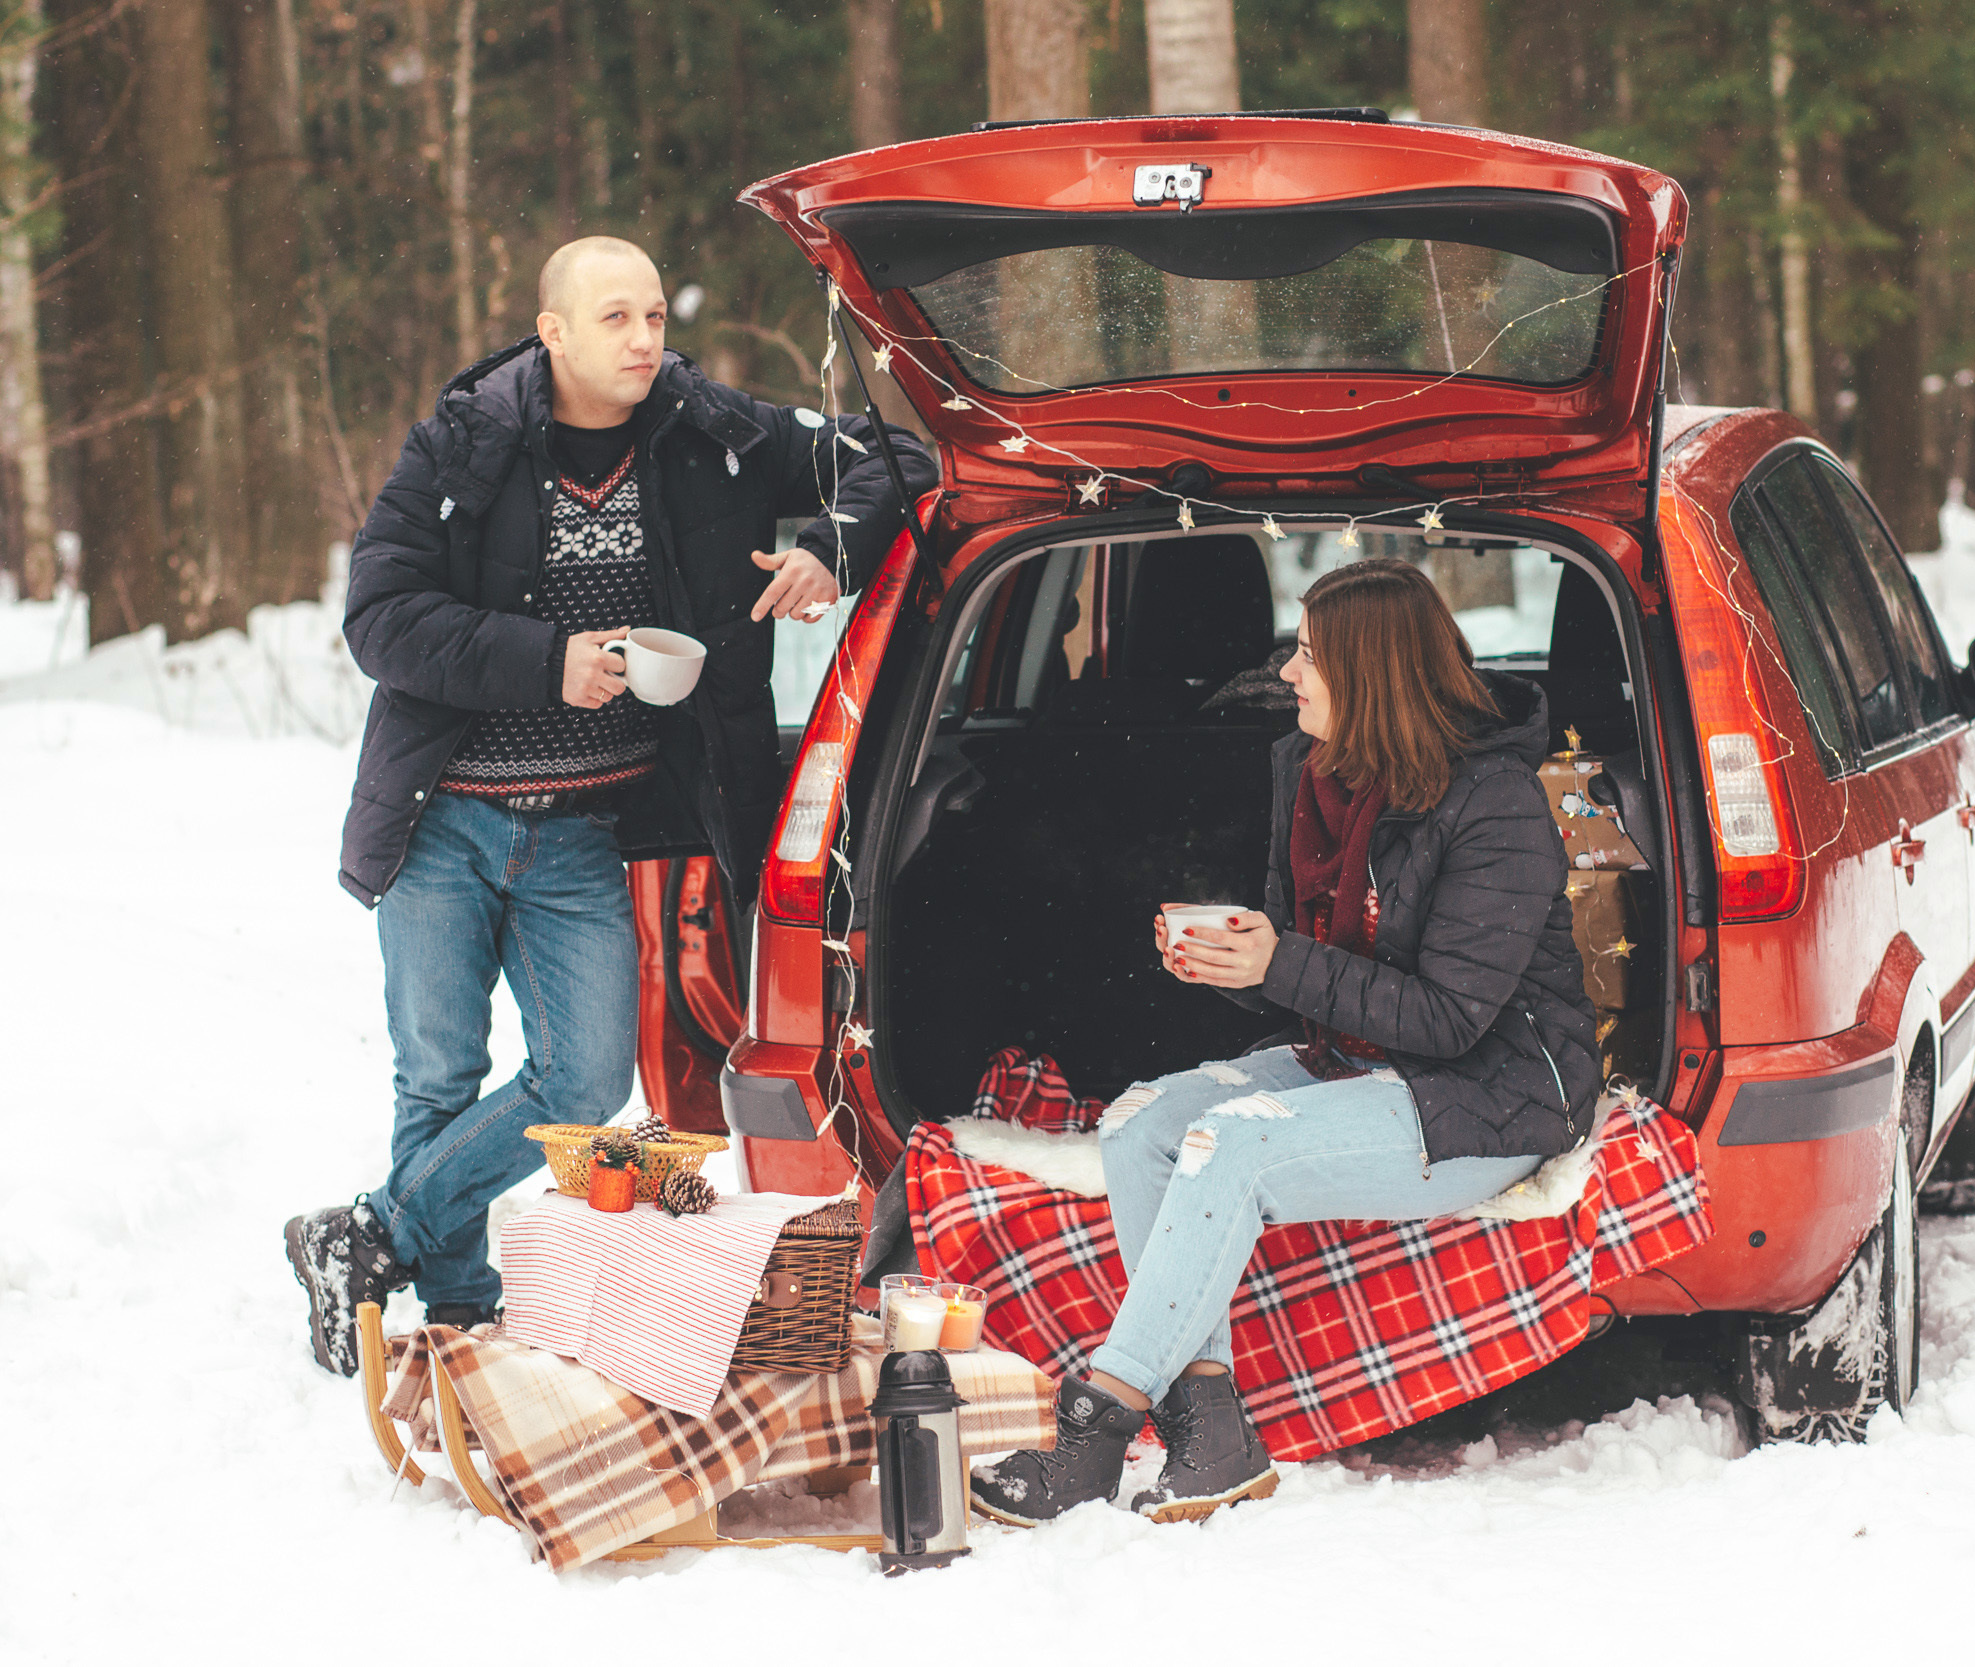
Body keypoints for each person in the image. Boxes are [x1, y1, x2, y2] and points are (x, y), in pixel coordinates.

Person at [284, 236, 937, 1374]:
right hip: (444, 819)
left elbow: (897, 456)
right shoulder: (466, 440)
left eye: (653, 317)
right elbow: (380, 618)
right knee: (435, 1073)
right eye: (616, 320)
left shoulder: (707, 434)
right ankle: (451, 1311)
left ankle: (366, 1235)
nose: (645, 340)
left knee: (585, 1083)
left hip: (586, 828)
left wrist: (832, 546)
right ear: (553, 332)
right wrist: (546, 661)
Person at [969, 558, 1602, 1526]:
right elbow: (1307, 962)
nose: (1288, 672)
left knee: (1230, 1148)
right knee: (1142, 1124)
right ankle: (1211, 1430)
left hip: (1487, 1090)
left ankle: (1093, 1431)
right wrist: (1232, 960)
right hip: (1352, 1055)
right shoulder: (1308, 772)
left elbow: (1449, 1019)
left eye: (1308, 653)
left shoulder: (1495, 804)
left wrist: (1277, 964)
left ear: (1371, 671)